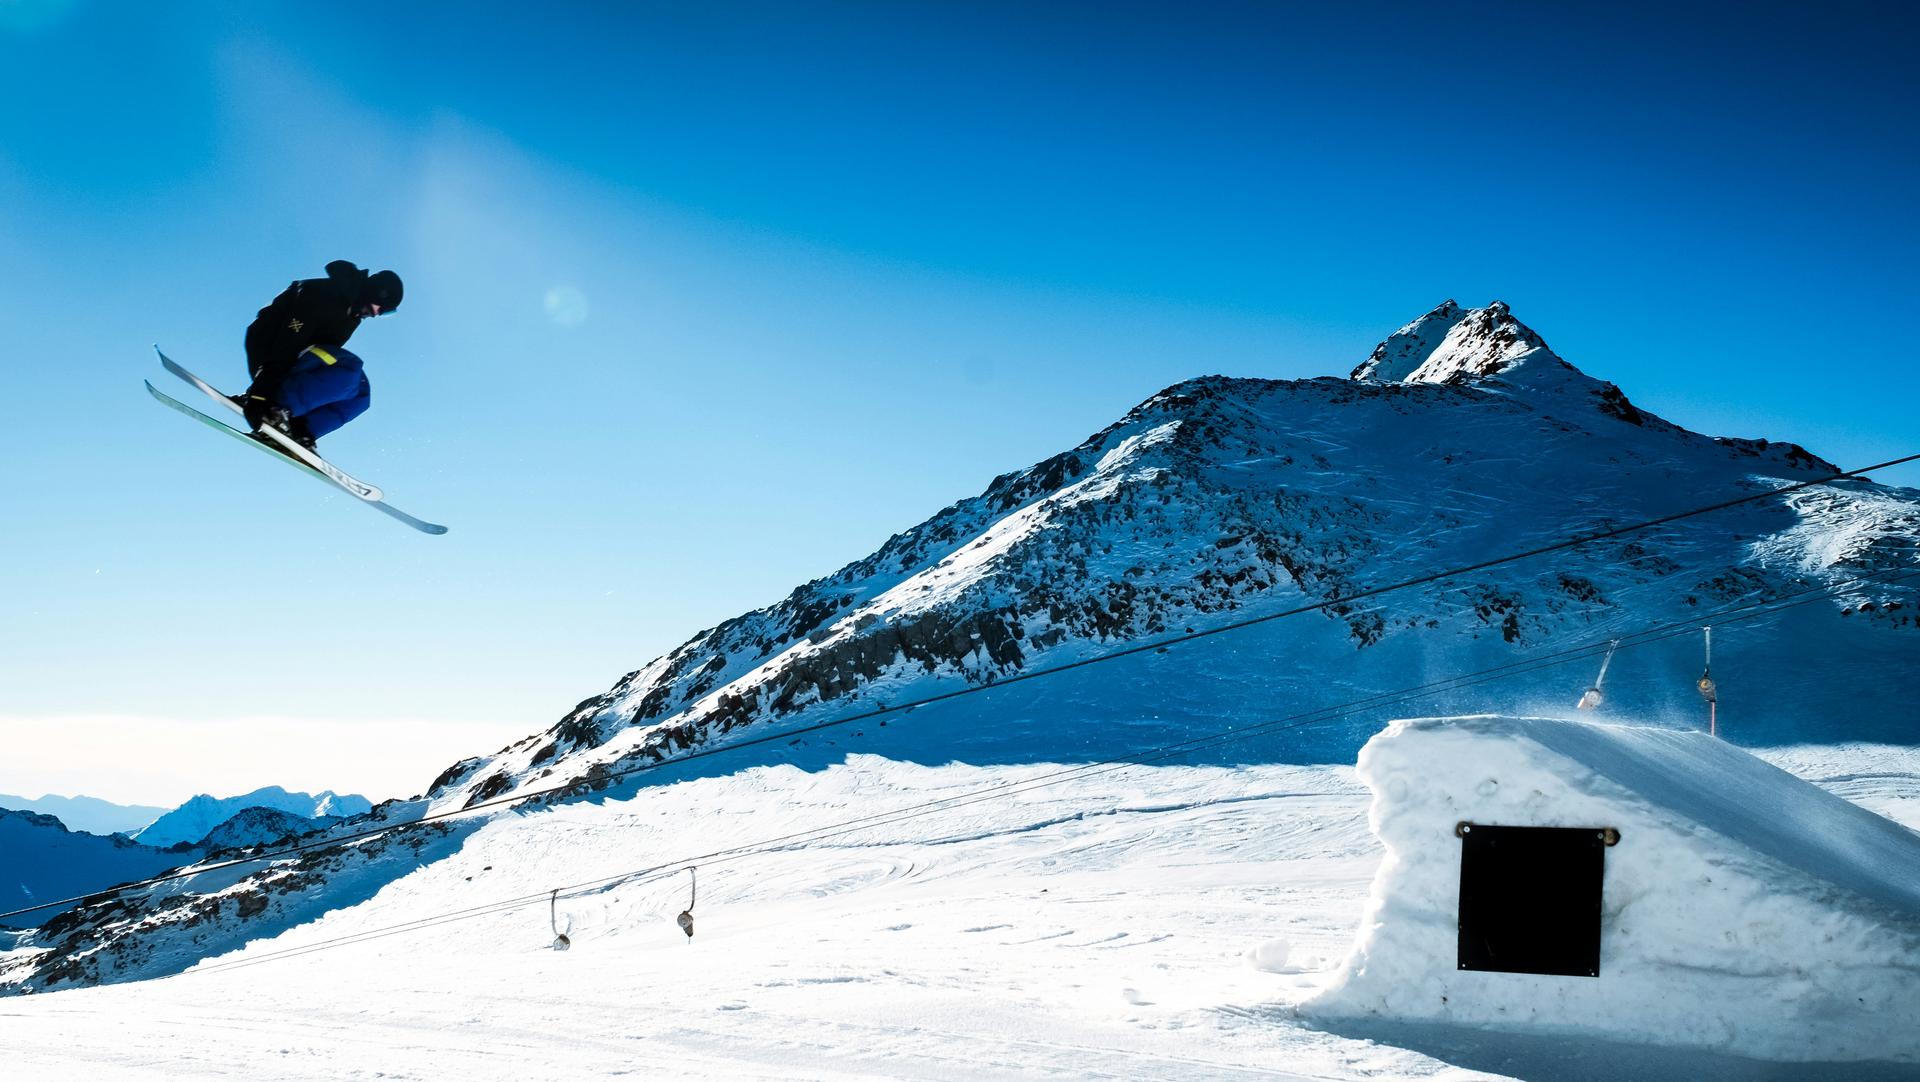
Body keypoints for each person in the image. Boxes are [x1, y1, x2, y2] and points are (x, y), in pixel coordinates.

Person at [239, 260, 402, 452]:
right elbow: (287, 341)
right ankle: (277, 408)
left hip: (293, 361)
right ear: (376, 292)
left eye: (385, 313)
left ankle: (301, 429)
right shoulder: (323, 294)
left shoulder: (352, 317)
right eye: (381, 307)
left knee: (361, 393)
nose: (377, 314)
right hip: (270, 349)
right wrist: (261, 392)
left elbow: (323, 363)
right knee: (350, 367)